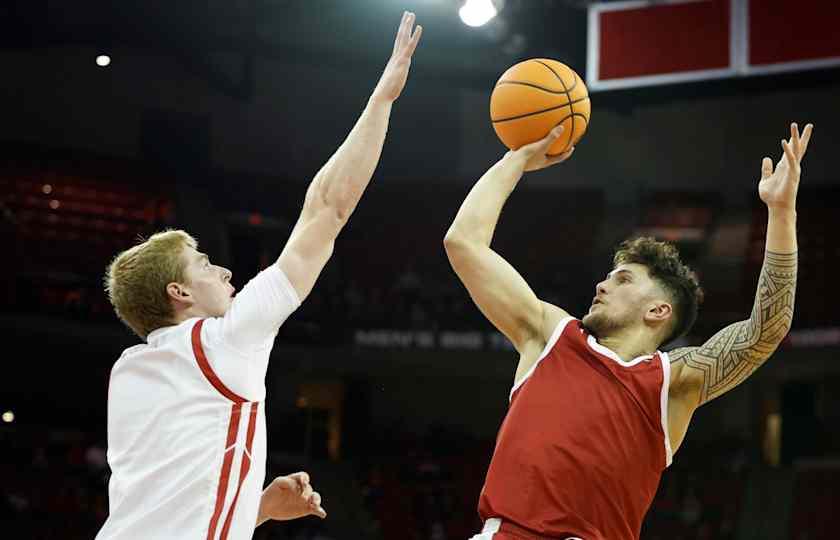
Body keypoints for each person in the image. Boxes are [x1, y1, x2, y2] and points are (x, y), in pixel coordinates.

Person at [96, 11, 422, 540]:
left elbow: (167, 504)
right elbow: (327, 209)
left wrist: (257, 508)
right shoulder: (222, 342)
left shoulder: (130, 371)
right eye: (203, 265)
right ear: (178, 292)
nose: (223, 270)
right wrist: (381, 101)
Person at [444, 122, 813, 540]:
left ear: (658, 310)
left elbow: (766, 331)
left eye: (622, 280)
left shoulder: (672, 382)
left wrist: (782, 214)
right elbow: (465, 244)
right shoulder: (549, 335)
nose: (602, 285)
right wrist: (515, 161)